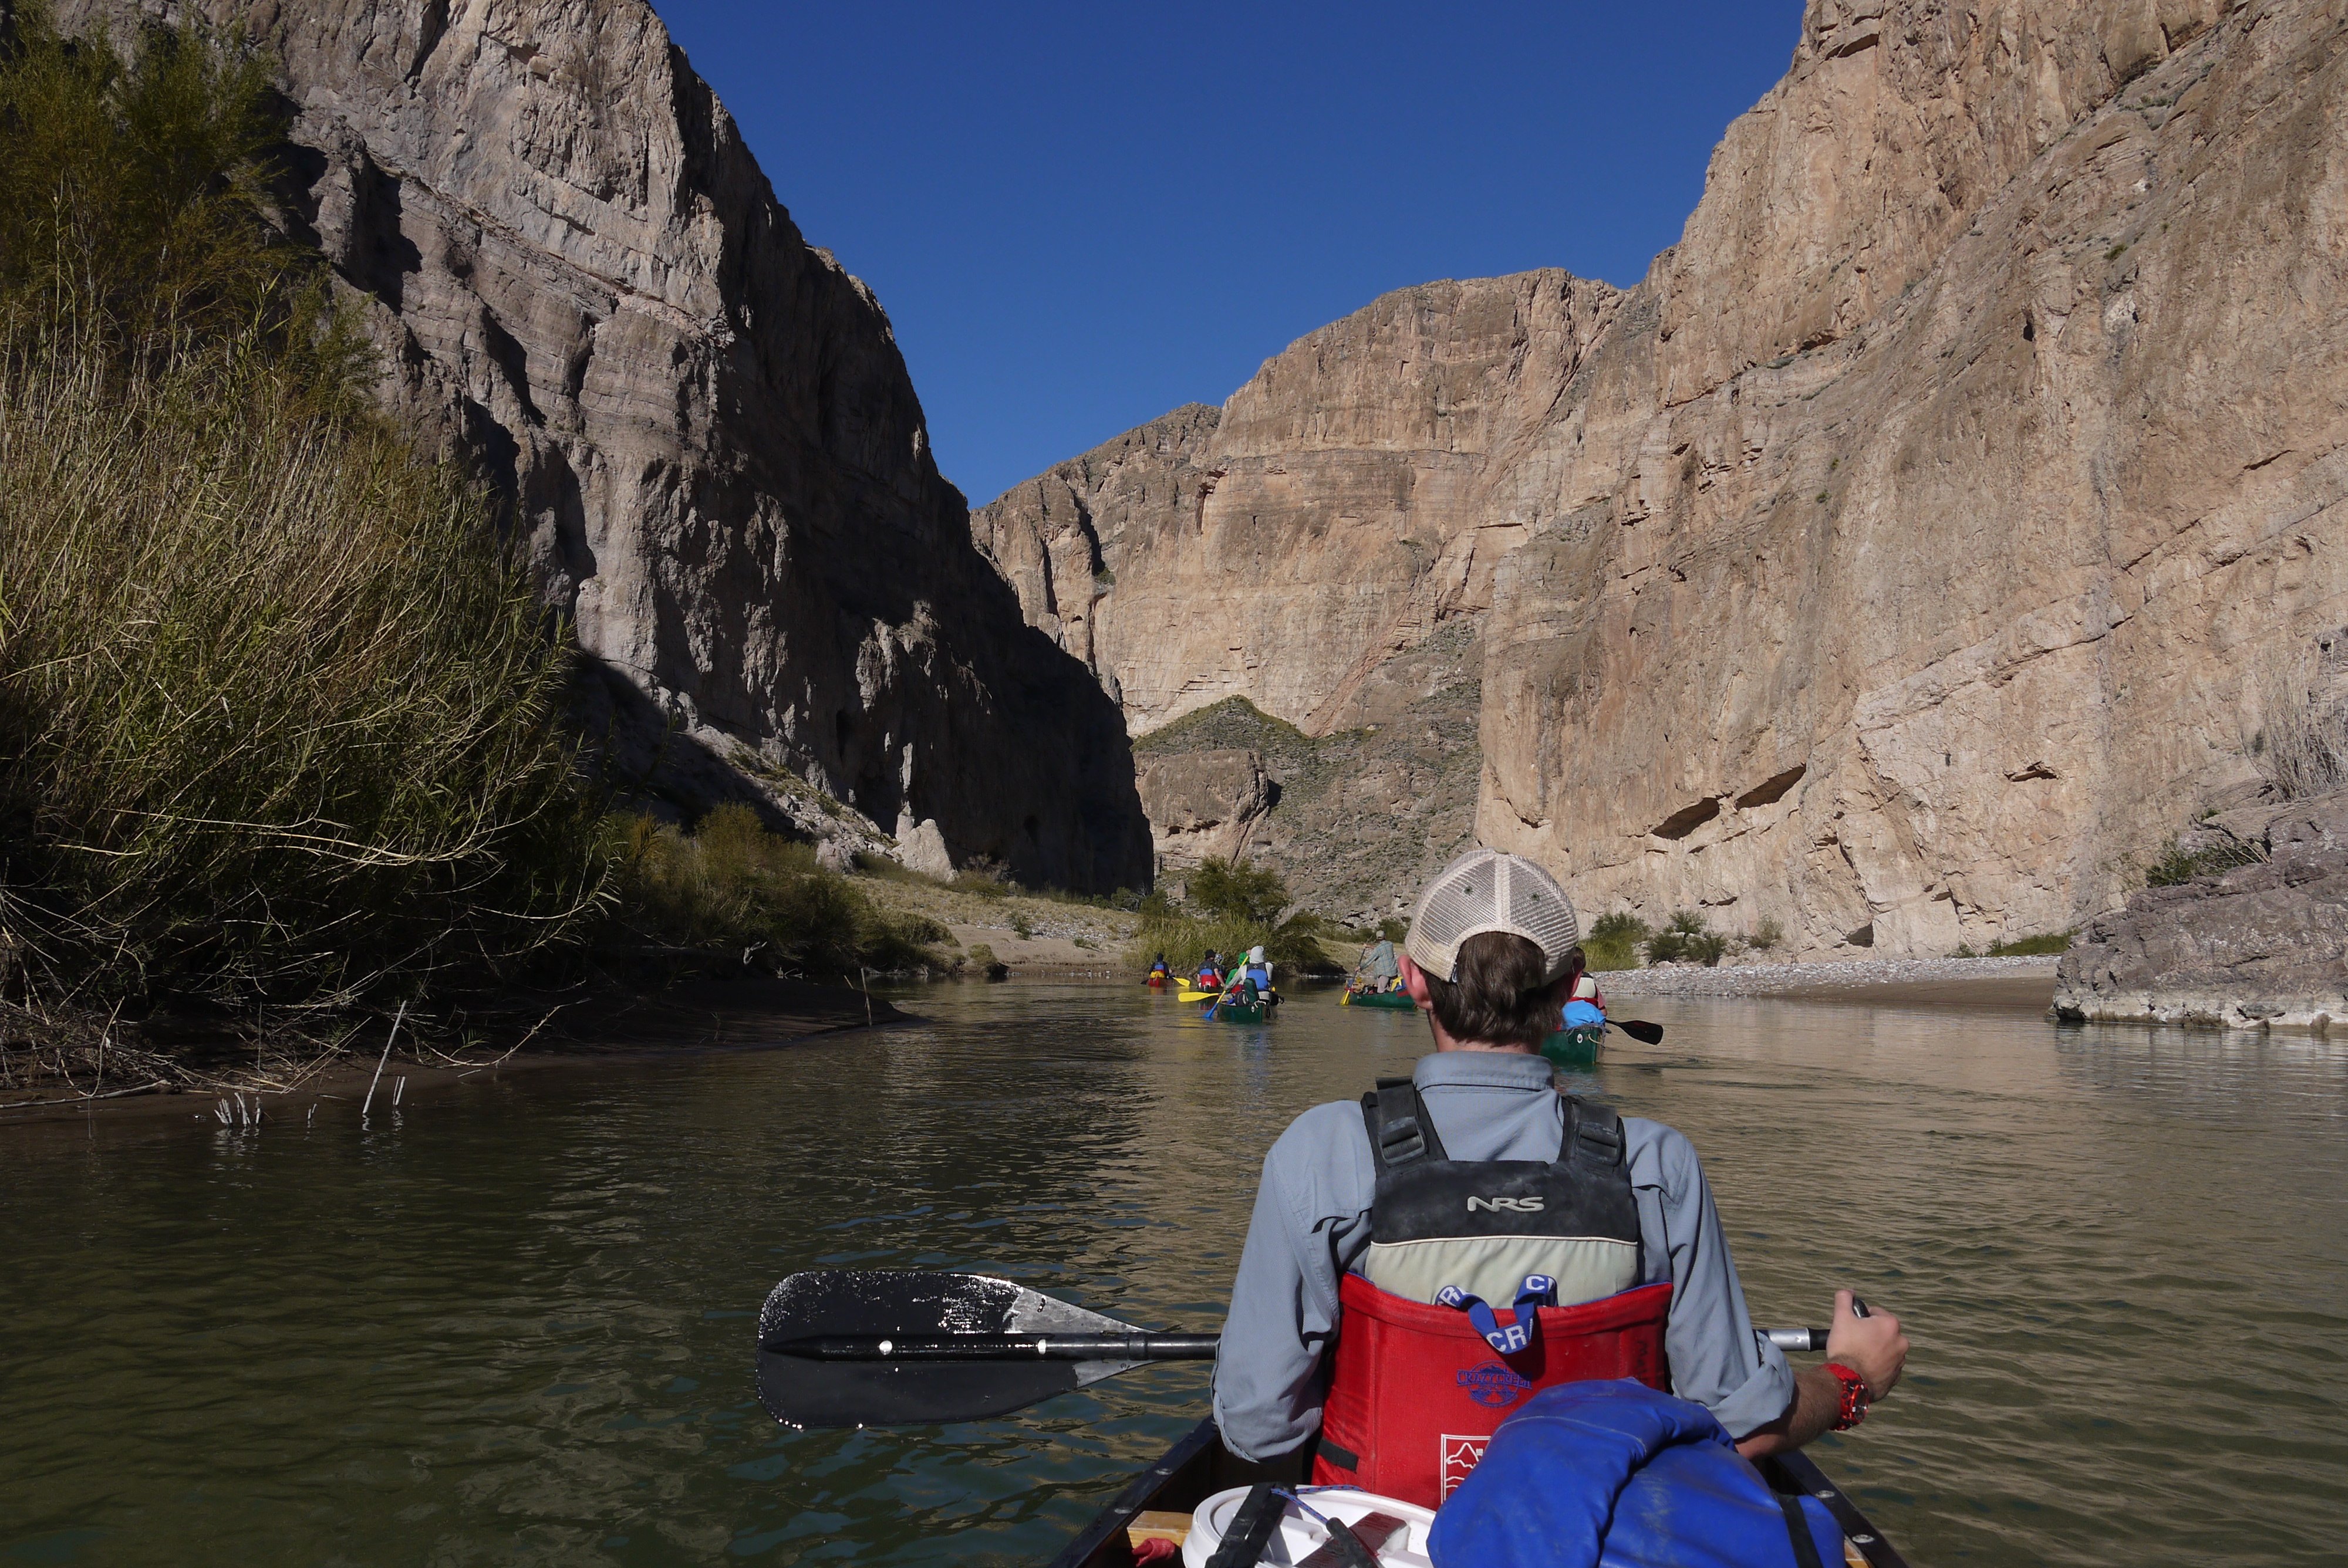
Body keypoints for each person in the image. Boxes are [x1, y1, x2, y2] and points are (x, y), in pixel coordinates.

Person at [1212, 848, 1907, 1506]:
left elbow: (1256, 1424)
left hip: (1376, 1537)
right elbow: (1742, 1427)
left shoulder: (1321, 1150)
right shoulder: (1656, 1164)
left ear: (1413, 978)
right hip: (1595, 1534)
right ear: (1572, 986)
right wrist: (1852, 1379)